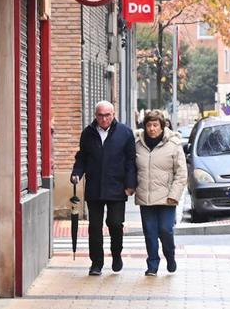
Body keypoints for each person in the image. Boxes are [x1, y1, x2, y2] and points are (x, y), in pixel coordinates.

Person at [71, 100, 137, 276]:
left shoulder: (125, 133)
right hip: (94, 188)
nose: (104, 119)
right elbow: (82, 157)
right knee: (94, 227)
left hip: (117, 187)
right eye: (100, 115)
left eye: (107, 115)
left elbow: (131, 161)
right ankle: (96, 263)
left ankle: (116, 254)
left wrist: (130, 185)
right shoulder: (88, 133)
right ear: (95, 116)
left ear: (113, 114)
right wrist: (77, 173)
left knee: (115, 224)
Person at [134, 110, 187, 276]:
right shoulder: (137, 144)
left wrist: (174, 194)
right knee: (149, 233)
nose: (152, 128)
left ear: (162, 126)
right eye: (148, 125)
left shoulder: (174, 144)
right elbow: (130, 168)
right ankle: (152, 265)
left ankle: (170, 257)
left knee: (165, 230)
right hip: (145, 196)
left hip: (167, 198)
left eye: (155, 125)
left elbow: (181, 173)